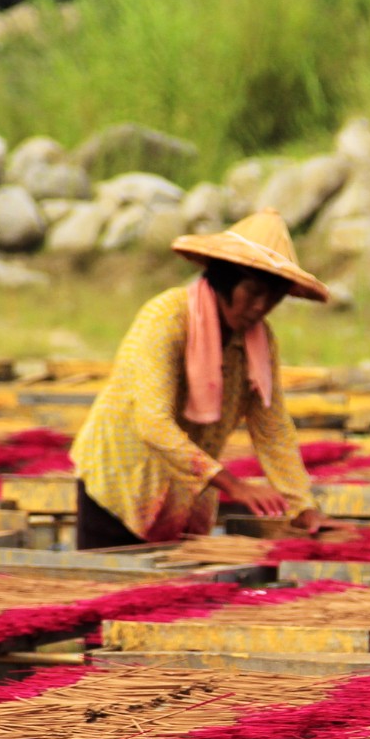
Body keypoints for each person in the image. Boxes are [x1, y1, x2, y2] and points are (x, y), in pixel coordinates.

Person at [70, 210, 328, 549]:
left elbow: (273, 427)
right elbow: (152, 423)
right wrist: (234, 485)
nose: (260, 306)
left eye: (273, 298)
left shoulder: (259, 340)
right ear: (224, 280)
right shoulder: (166, 318)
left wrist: (303, 505)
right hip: (122, 487)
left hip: (183, 501)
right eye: (252, 292)